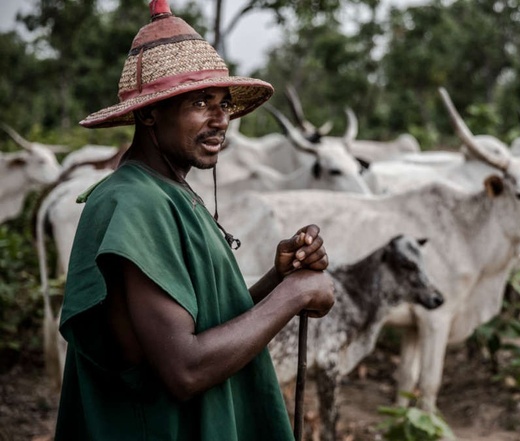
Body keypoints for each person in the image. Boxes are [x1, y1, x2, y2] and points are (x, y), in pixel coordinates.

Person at [54, 1, 335, 439]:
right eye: (200, 101)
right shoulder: (132, 203)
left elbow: (196, 319)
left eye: (223, 103)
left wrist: (277, 281)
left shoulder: (171, 191)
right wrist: (294, 297)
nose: (220, 118)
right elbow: (184, 367)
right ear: (148, 113)